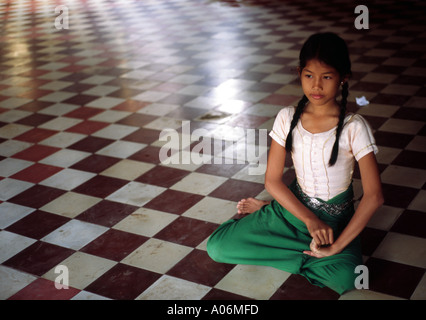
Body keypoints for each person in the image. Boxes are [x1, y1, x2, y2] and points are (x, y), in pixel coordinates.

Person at [206, 32, 384, 295]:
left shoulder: (354, 126)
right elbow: (272, 180)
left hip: (336, 223)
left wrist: (335, 247)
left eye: (327, 76)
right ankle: (296, 242)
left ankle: (297, 244)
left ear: (343, 77)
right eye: (309, 75)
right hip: (296, 212)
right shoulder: (287, 117)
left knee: (350, 280)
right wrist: (310, 220)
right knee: (217, 247)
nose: (317, 86)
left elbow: (374, 197)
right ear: (300, 73)